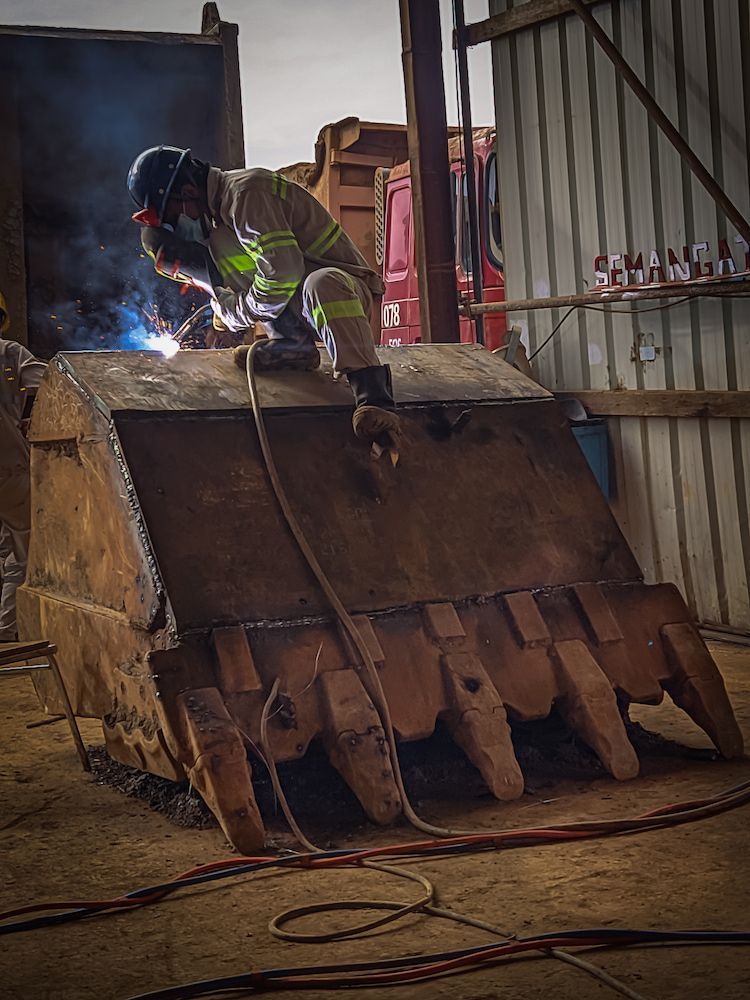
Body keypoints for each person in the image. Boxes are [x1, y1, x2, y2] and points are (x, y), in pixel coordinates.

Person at [126, 145, 400, 451]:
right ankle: (293, 345)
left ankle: (372, 393)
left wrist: (237, 313)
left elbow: (283, 273)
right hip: (300, 305)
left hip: (346, 293)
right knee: (233, 256)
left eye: (176, 217)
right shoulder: (218, 228)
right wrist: (220, 305)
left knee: (320, 284)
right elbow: (248, 281)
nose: (180, 225)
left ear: (189, 191)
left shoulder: (246, 194)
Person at [0, 294, 47, 642]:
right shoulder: (8, 352)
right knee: (20, 548)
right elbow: (50, 383)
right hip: (7, 466)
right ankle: (9, 632)